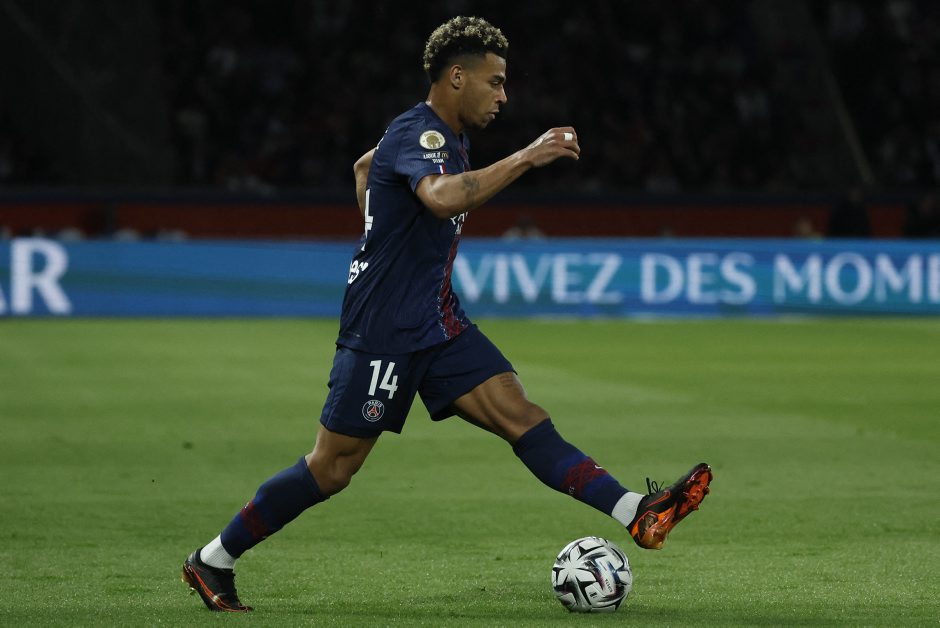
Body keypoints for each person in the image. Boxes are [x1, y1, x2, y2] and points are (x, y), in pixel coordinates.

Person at [181, 16, 712, 613]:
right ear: (457, 77)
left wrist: (381, 230)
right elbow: (439, 198)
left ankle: (637, 512)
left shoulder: (442, 137)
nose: (504, 96)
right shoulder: (424, 133)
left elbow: (364, 168)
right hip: (384, 328)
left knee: (522, 416)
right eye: (496, 82)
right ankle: (212, 559)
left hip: (438, 320)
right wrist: (527, 156)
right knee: (332, 469)